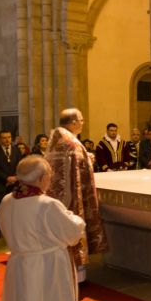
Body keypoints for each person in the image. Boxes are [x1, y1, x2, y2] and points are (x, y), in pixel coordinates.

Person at [0, 156, 85, 301]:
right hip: (48, 268)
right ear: (43, 178)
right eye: (49, 176)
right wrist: (74, 217)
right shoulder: (47, 205)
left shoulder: (7, 200)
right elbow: (73, 232)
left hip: (18, 266)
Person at [46, 108, 108, 282]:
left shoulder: (58, 137)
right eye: (81, 120)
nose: (83, 123)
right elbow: (76, 164)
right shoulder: (71, 142)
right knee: (73, 230)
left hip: (57, 197)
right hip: (71, 197)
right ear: (73, 122)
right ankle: (77, 275)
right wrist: (88, 159)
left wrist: (85, 156)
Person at [0, 130, 24, 238]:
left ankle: (13, 230)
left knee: (14, 208)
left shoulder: (16, 150)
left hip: (14, 184)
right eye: (4, 137)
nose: (7, 139)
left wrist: (16, 177)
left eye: (9, 137)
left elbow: (20, 165)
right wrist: (7, 178)